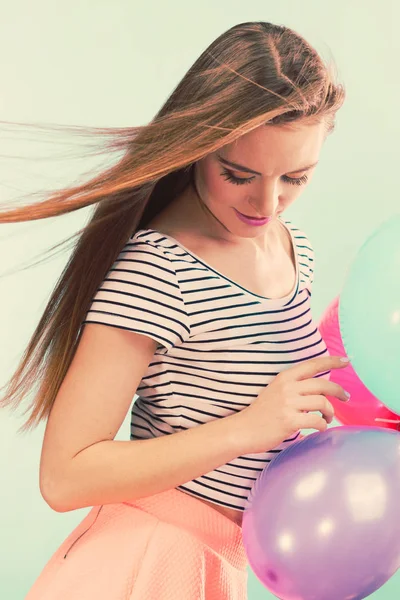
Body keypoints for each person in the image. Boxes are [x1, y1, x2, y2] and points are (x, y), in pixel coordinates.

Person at [0, 20, 352, 600]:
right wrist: (250, 427)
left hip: (219, 563)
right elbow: (64, 476)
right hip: (145, 563)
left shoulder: (296, 251)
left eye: (295, 177)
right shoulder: (158, 268)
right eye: (238, 174)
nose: (267, 203)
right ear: (197, 149)